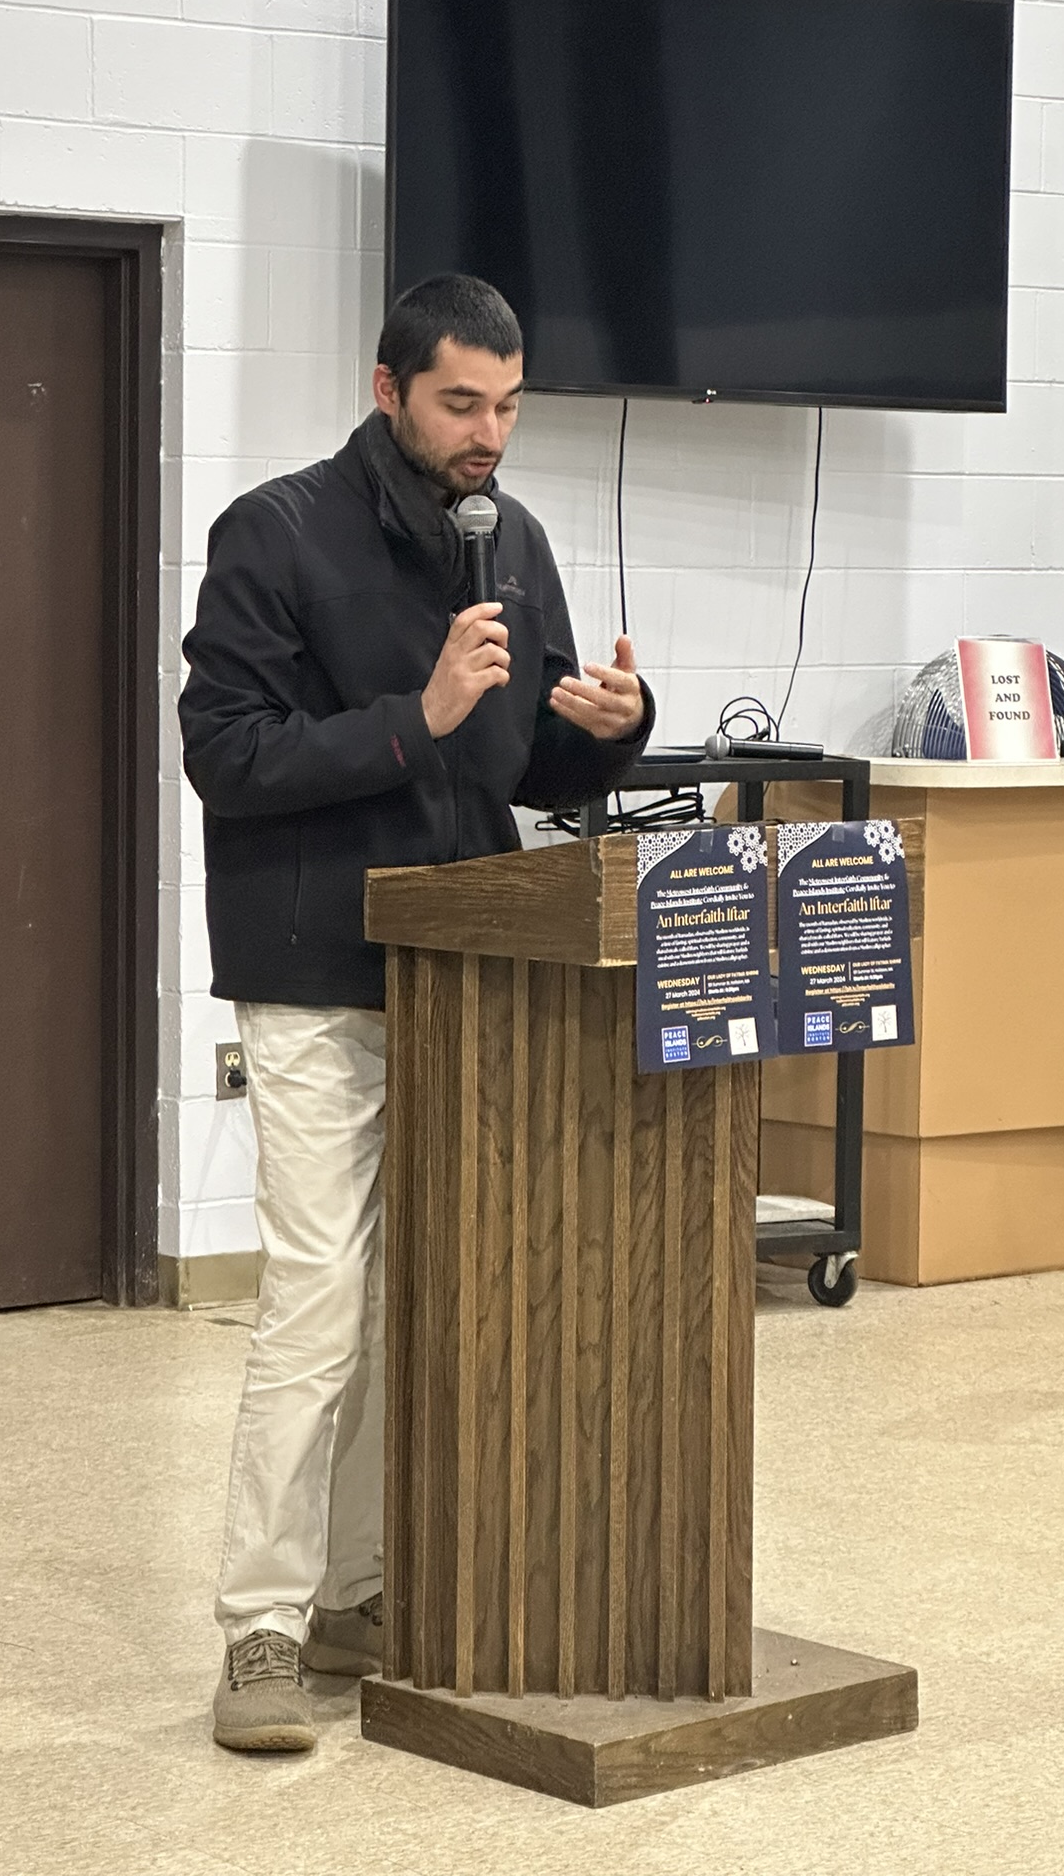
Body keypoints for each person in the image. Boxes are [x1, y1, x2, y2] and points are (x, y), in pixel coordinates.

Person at [179, 274, 653, 1753]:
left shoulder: (514, 541)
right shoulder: (274, 533)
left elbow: (526, 769)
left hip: (467, 974)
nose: (486, 434)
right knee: (319, 1298)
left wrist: (610, 732)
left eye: (506, 407)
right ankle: (260, 1629)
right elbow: (226, 757)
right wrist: (419, 716)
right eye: (460, 403)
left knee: (418, 1298)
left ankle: (358, 1595)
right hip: (318, 971)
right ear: (387, 390)